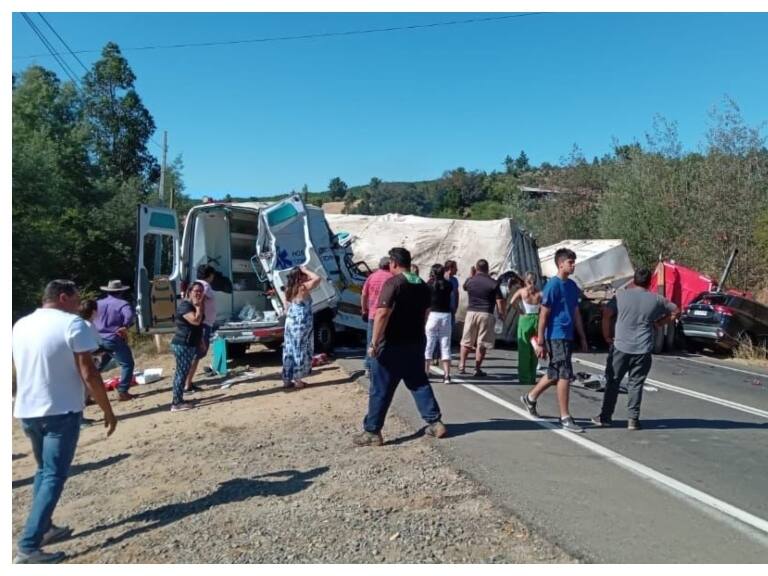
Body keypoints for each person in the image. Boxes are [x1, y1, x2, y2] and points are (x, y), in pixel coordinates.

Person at [12, 280, 117, 564]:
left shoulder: (21, 324)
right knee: (54, 476)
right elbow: (89, 372)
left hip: (27, 410)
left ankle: (44, 528)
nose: (79, 304)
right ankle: (28, 547)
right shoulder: (73, 324)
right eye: (76, 298)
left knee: (43, 471)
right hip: (60, 411)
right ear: (63, 297)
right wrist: (108, 410)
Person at [354, 247, 447, 446]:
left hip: (392, 344)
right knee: (418, 382)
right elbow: (426, 312)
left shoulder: (393, 283)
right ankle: (435, 422)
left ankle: (372, 431)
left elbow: (382, 314)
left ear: (393, 263)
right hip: (415, 342)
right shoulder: (421, 284)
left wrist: (374, 342)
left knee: (380, 388)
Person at [592, 269, 678, 430]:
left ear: (634, 280)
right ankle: (633, 419)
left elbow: (607, 314)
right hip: (643, 348)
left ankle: (605, 417)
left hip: (621, 346)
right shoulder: (657, 299)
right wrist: (660, 323)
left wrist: (607, 336)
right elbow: (676, 310)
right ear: (649, 283)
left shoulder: (621, 295)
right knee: (636, 384)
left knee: (613, 382)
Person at [520, 248, 588, 433]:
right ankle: (565, 417)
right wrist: (541, 340)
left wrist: (582, 336)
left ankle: (530, 398)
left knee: (555, 372)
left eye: (574, 262)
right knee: (565, 374)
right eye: (570, 262)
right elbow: (544, 314)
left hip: (567, 335)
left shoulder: (572, 287)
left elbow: (575, 312)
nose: (573, 265)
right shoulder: (553, 286)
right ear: (560, 264)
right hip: (555, 334)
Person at [459, 259, 506, 377]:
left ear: (476, 268)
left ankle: (462, 365)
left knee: (466, 341)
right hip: (486, 314)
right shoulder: (493, 283)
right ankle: (477, 368)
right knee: (482, 343)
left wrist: (471, 275)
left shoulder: (471, 281)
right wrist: (501, 313)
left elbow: (465, 287)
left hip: (471, 313)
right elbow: (499, 300)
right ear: (487, 268)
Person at [94, 280, 136, 401]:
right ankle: (123, 391)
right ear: (121, 291)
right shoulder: (123, 304)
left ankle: (87, 393)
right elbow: (129, 316)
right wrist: (125, 326)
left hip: (97, 338)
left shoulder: (98, 303)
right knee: (127, 364)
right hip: (113, 338)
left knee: (97, 367)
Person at [282, 266, 322, 390]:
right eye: (303, 275)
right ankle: (298, 380)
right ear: (300, 277)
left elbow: (286, 308)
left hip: (290, 322)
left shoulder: (288, 289)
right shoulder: (302, 288)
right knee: (300, 349)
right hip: (301, 322)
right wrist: (305, 270)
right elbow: (317, 278)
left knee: (289, 350)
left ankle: (287, 379)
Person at [169, 282, 206, 412]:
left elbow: (200, 325)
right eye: (196, 291)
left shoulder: (194, 305)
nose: (199, 293)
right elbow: (195, 321)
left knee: (183, 372)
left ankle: (179, 399)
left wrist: (201, 341)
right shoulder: (185, 306)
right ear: (190, 291)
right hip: (182, 344)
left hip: (190, 343)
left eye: (201, 291)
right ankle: (176, 403)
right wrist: (199, 306)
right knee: (181, 373)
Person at [184, 265, 217, 394]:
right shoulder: (205, 286)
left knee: (195, 354)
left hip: (202, 323)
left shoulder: (196, 285)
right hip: (203, 323)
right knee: (196, 355)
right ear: (210, 275)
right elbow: (199, 301)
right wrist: (199, 316)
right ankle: (187, 384)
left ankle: (188, 382)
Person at [360, 257, 393, 375]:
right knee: (386, 342)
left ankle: (369, 367)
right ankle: (385, 366)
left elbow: (364, 295)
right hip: (387, 315)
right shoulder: (391, 278)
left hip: (373, 314)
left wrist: (364, 310)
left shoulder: (371, 277)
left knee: (371, 341)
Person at [510, 272, 542, 387]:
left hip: (525, 318)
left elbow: (512, 302)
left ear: (525, 281)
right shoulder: (539, 293)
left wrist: (519, 311)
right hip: (537, 319)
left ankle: (524, 377)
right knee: (535, 348)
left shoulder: (522, 291)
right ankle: (532, 376)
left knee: (523, 349)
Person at [425, 263, 454, 384]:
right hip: (446, 315)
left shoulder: (430, 285)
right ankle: (446, 375)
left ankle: (426, 372)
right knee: (445, 344)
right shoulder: (449, 285)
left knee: (429, 343)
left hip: (433, 315)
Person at [444, 259, 460, 330]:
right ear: (450, 268)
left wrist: (456, 306)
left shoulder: (455, 280)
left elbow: (456, 293)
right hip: (443, 309)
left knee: (450, 329)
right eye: (455, 268)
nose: (457, 269)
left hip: (452, 309)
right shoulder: (442, 279)